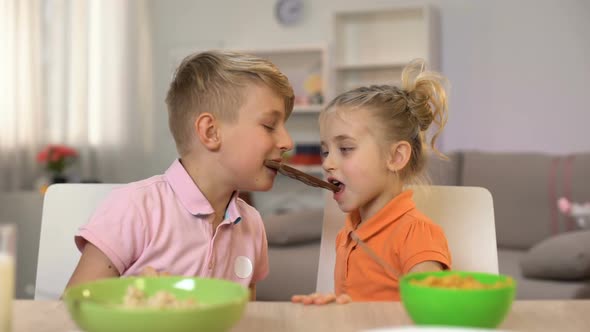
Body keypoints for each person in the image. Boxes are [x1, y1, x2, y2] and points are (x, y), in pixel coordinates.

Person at [65, 50, 295, 300]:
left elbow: (244, 316)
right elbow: (72, 311)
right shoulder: (134, 208)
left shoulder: (252, 224)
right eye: (270, 126)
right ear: (211, 132)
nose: (287, 141)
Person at [293, 59, 452, 304]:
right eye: (325, 151)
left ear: (395, 157)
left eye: (345, 148)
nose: (327, 163)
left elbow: (434, 312)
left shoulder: (415, 234)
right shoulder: (346, 233)